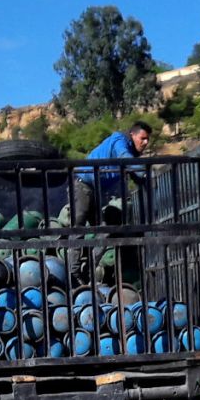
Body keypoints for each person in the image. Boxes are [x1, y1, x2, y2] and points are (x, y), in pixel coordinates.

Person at [67, 121, 152, 284]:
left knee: (105, 230)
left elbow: (134, 174)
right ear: (132, 135)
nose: (146, 143)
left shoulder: (130, 154)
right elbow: (124, 158)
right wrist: (144, 173)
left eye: (148, 139)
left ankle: (88, 268)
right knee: (78, 229)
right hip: (82, 186)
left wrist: (146, 183)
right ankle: (74, 274)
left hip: (95, 191)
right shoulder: (119, 141)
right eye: (143, 138)